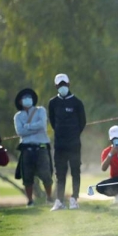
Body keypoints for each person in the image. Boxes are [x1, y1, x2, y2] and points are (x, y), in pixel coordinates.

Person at [48, 73, 86, 211]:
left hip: (74, 144)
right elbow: (53, 122)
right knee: (60, 173)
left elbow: (82, 122)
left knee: (75, 171)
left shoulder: (77, 102)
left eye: (64, 84)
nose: (62, 87)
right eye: (59, 85)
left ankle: (74, 199)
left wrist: (73, 135)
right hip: (59, 145)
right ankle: (59, 200)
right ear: (56, 86)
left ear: (68, 85)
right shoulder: (53, 103)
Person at [14, 88, 53, 207]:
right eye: (25, 97)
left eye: (29, 97)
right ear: (20, 101)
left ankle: (49, 198)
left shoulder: (40, 110)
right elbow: (20, 132)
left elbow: (42, 125)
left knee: (46, 175)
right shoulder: (17, 116)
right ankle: (30, 201)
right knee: (27, 176)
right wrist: (33, 128)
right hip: (26, 149)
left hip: (41, 148)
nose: (27, 99)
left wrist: (27, 126)